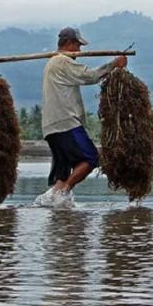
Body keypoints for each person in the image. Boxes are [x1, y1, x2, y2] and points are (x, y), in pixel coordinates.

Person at [34, 27, 127, 206]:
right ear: (69, 44)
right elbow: (90, 76)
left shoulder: (52, 63)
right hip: (65, 123)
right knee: (91, 158)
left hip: (51, 126)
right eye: (78, 45)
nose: (80, 50)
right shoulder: (62, 62)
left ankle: (55, 200)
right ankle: (64, 190)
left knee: (63, 170)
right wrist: (113, 64)